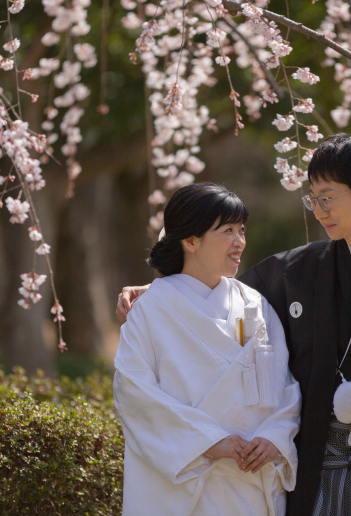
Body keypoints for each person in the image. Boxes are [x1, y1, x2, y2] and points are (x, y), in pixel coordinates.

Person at [117, 135, 351, 516]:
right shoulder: (296, 271)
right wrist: (159, 288)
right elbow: (216, 288)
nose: (319, 210)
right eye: (313, 199)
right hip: (323, 465)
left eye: (327, 198)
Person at [113, 183, 302, 516]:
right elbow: (134, 394)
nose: (239, 241)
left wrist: (275, 437)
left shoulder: (255, 304)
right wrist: (209, 441)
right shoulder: (150, 308)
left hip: (249, 481)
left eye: (242, 230)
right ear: (190, 241)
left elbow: (286, 385)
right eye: (227, 231)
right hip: (186, 479)